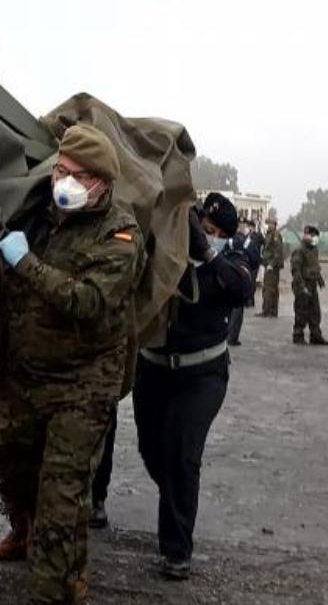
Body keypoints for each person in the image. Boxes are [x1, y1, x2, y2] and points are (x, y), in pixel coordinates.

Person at [0, 124, 144, 604]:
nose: (64, 183)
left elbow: (89, 302)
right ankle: (62, 560)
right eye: (60, 171)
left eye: (78, 176)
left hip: (83, 382)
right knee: (8, 466)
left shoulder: (121, 233)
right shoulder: (37, 213)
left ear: (103, 184)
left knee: (61, 496)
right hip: (26, 373)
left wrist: (25, 263)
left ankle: (53, 587)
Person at [133, 193, 253, 580]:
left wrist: (208, 253)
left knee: (182, 454)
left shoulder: (232, 261)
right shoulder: (167, 251)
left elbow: (241, 291)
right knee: (152, 451)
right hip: (153, 370)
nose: (207, 234)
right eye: (203, 227)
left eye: (216, 232)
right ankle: (175, 497)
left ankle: (176, 551)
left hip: (202, 376)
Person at [223, 220, 261, 346]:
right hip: (242, 274)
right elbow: (255, 259)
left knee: (225, 305)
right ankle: (232, 338)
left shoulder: (227, 239)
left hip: (227, 272)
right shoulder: (248, 242)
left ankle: (224, 334)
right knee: (237, 307)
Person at [291, 225, 328, 345]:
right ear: (306, 235)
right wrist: (302, 287)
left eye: (315, 236)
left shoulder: (314, 249)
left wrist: (320, 280)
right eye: (312, 236)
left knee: (315, 312)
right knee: (301, 312)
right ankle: (298, 335)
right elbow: (296, 270)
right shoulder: (299, 250)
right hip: (303, 284)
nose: (314, 238)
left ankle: (315, 335)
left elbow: (315, 267)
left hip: (312, 285)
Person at [256, 216, 284, 318]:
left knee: (269, 288)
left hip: (272, 266)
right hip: (268, 264)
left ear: (274, 225)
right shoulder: (269, 234)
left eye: (270, 224)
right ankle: (270, 311)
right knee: (270, 288)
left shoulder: (275, 235)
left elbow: (278, 251)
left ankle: (268, 311)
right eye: (267, 224)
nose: (268, 225)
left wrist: (271, 264)